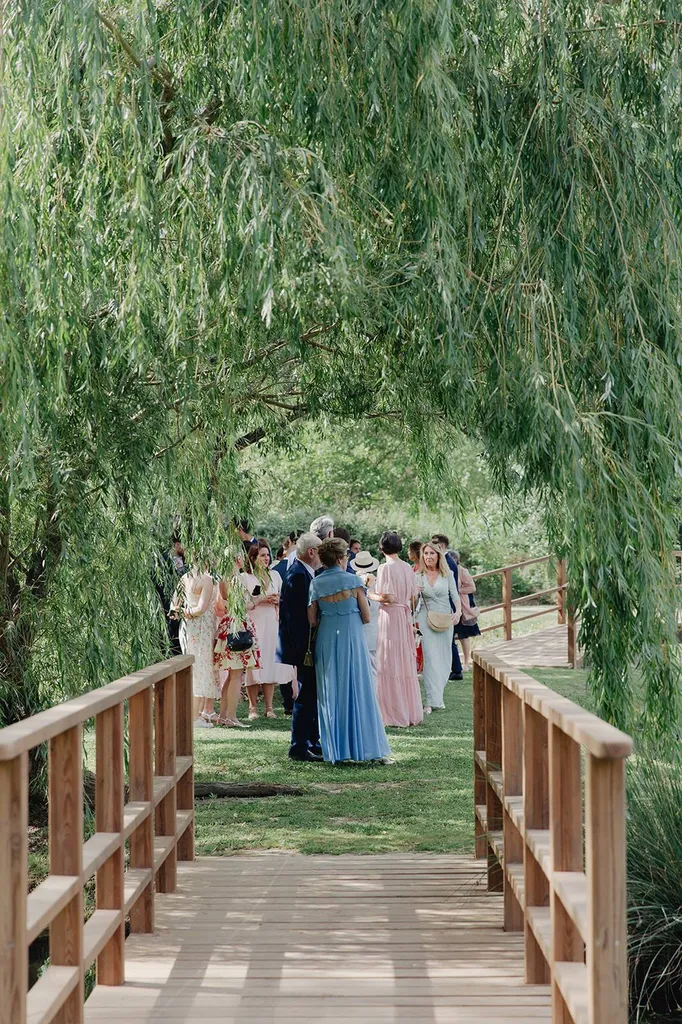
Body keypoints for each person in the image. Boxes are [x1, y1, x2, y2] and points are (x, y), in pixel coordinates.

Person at [308, 539, 392, 763]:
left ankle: (336, 751)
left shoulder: (316, 583)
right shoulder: (353, 580)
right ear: (339, 558)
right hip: (351, 638)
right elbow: (366, 616)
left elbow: (312, 620)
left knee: (330, 693)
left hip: (326, 639)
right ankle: (366, 749)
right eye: (345, 556)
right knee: (359, 689)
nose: (347, 560)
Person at [279, 532, 323, 761]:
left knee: (311, 694)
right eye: (320, 549)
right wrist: (306, 649)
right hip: (302, 648)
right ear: (311, 552)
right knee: (306, 696)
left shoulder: (305, 572)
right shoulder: (297, 575)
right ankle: (298, 746)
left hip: (305, 646)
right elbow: (296, 619)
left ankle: (311, 741)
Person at [375, 531, 423, 727]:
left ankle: (392, 712)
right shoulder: (406, 568)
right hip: (404, 616)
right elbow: (412, 595)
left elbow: (387, 597)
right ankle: (409, 710)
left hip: (391, 616)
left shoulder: (384, 568)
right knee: (403, 661)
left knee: (388, 661)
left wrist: (369, 593)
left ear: (381, 548)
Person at [242, 540, 294, 719]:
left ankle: (270, 707)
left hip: (272, 622)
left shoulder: (275, 576)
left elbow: (284, 599)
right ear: (253, 558)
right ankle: (252, 707)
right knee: (254, 665)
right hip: (254, 623)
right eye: (262, 555)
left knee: (270, 663)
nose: (266, 558)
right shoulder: (245, 578)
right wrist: (262, 599)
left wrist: (277, 600)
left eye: (267, 555)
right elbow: (243, 605)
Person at [213, 553, 260, 728]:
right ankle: (231, 716)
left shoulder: (224, 579)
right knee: (237, 674)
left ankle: (224, 715)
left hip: (228, 625)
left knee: (232, 674)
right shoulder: (234, 580)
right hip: (237, 626)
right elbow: (238, 606)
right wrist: (256, 600)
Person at [415, 542, 462, 714]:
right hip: (426, 619)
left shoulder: (447, 574)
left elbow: (455, 596)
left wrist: (458, 612)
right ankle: (429, 701)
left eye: (431, 553)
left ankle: (438, 697)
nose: (428, 556)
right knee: (430, 659)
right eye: (425, 553)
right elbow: (412, 603)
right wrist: (415, 592)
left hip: (445, 619)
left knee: (443, 660)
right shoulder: (418, 575)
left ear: (438, 556)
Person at [171, 565, 217, 728]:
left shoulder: (184, 578)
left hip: (186, 627)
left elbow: (174, 605)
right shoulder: (207, 580)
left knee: (193, 668)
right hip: (201, 628)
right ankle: (194, 717)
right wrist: (188, 612)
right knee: (199, 668)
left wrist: (181, 612)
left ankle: (191, 714)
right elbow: (201, 609)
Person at [431, 534, 464, 681]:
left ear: (442, 545)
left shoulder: (447, 562)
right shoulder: (447, 560)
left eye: (435, 544)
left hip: (447, 603)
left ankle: (456, 669)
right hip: (445, 603)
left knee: (447, 639)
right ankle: (453, 668)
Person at [352, 550, 381, 683]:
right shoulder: (377, 583)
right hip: (374, 630)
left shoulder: (352, 583)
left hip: (359, 631)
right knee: (373, 669)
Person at [450, 550, 481, 671]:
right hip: (450, 607)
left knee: (464, 636)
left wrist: (457, 590)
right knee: (450, 637)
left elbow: (472, 587)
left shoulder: (462, 571)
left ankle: (466, 662)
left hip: (462, 608)